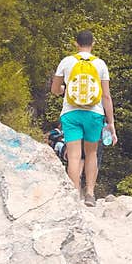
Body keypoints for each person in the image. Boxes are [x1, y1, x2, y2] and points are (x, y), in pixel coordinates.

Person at [50, 30, 117, 207]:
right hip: (94, 113)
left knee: (73, 156)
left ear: (76, 43)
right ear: (93, 43)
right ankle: (89, 194)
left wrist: (63, 90)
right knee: (91, 153)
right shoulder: (100, 64)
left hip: (70, 113)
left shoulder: (67, 61)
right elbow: (106, 96)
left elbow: (55, 89)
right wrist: (110, 123)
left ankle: (74, 195)